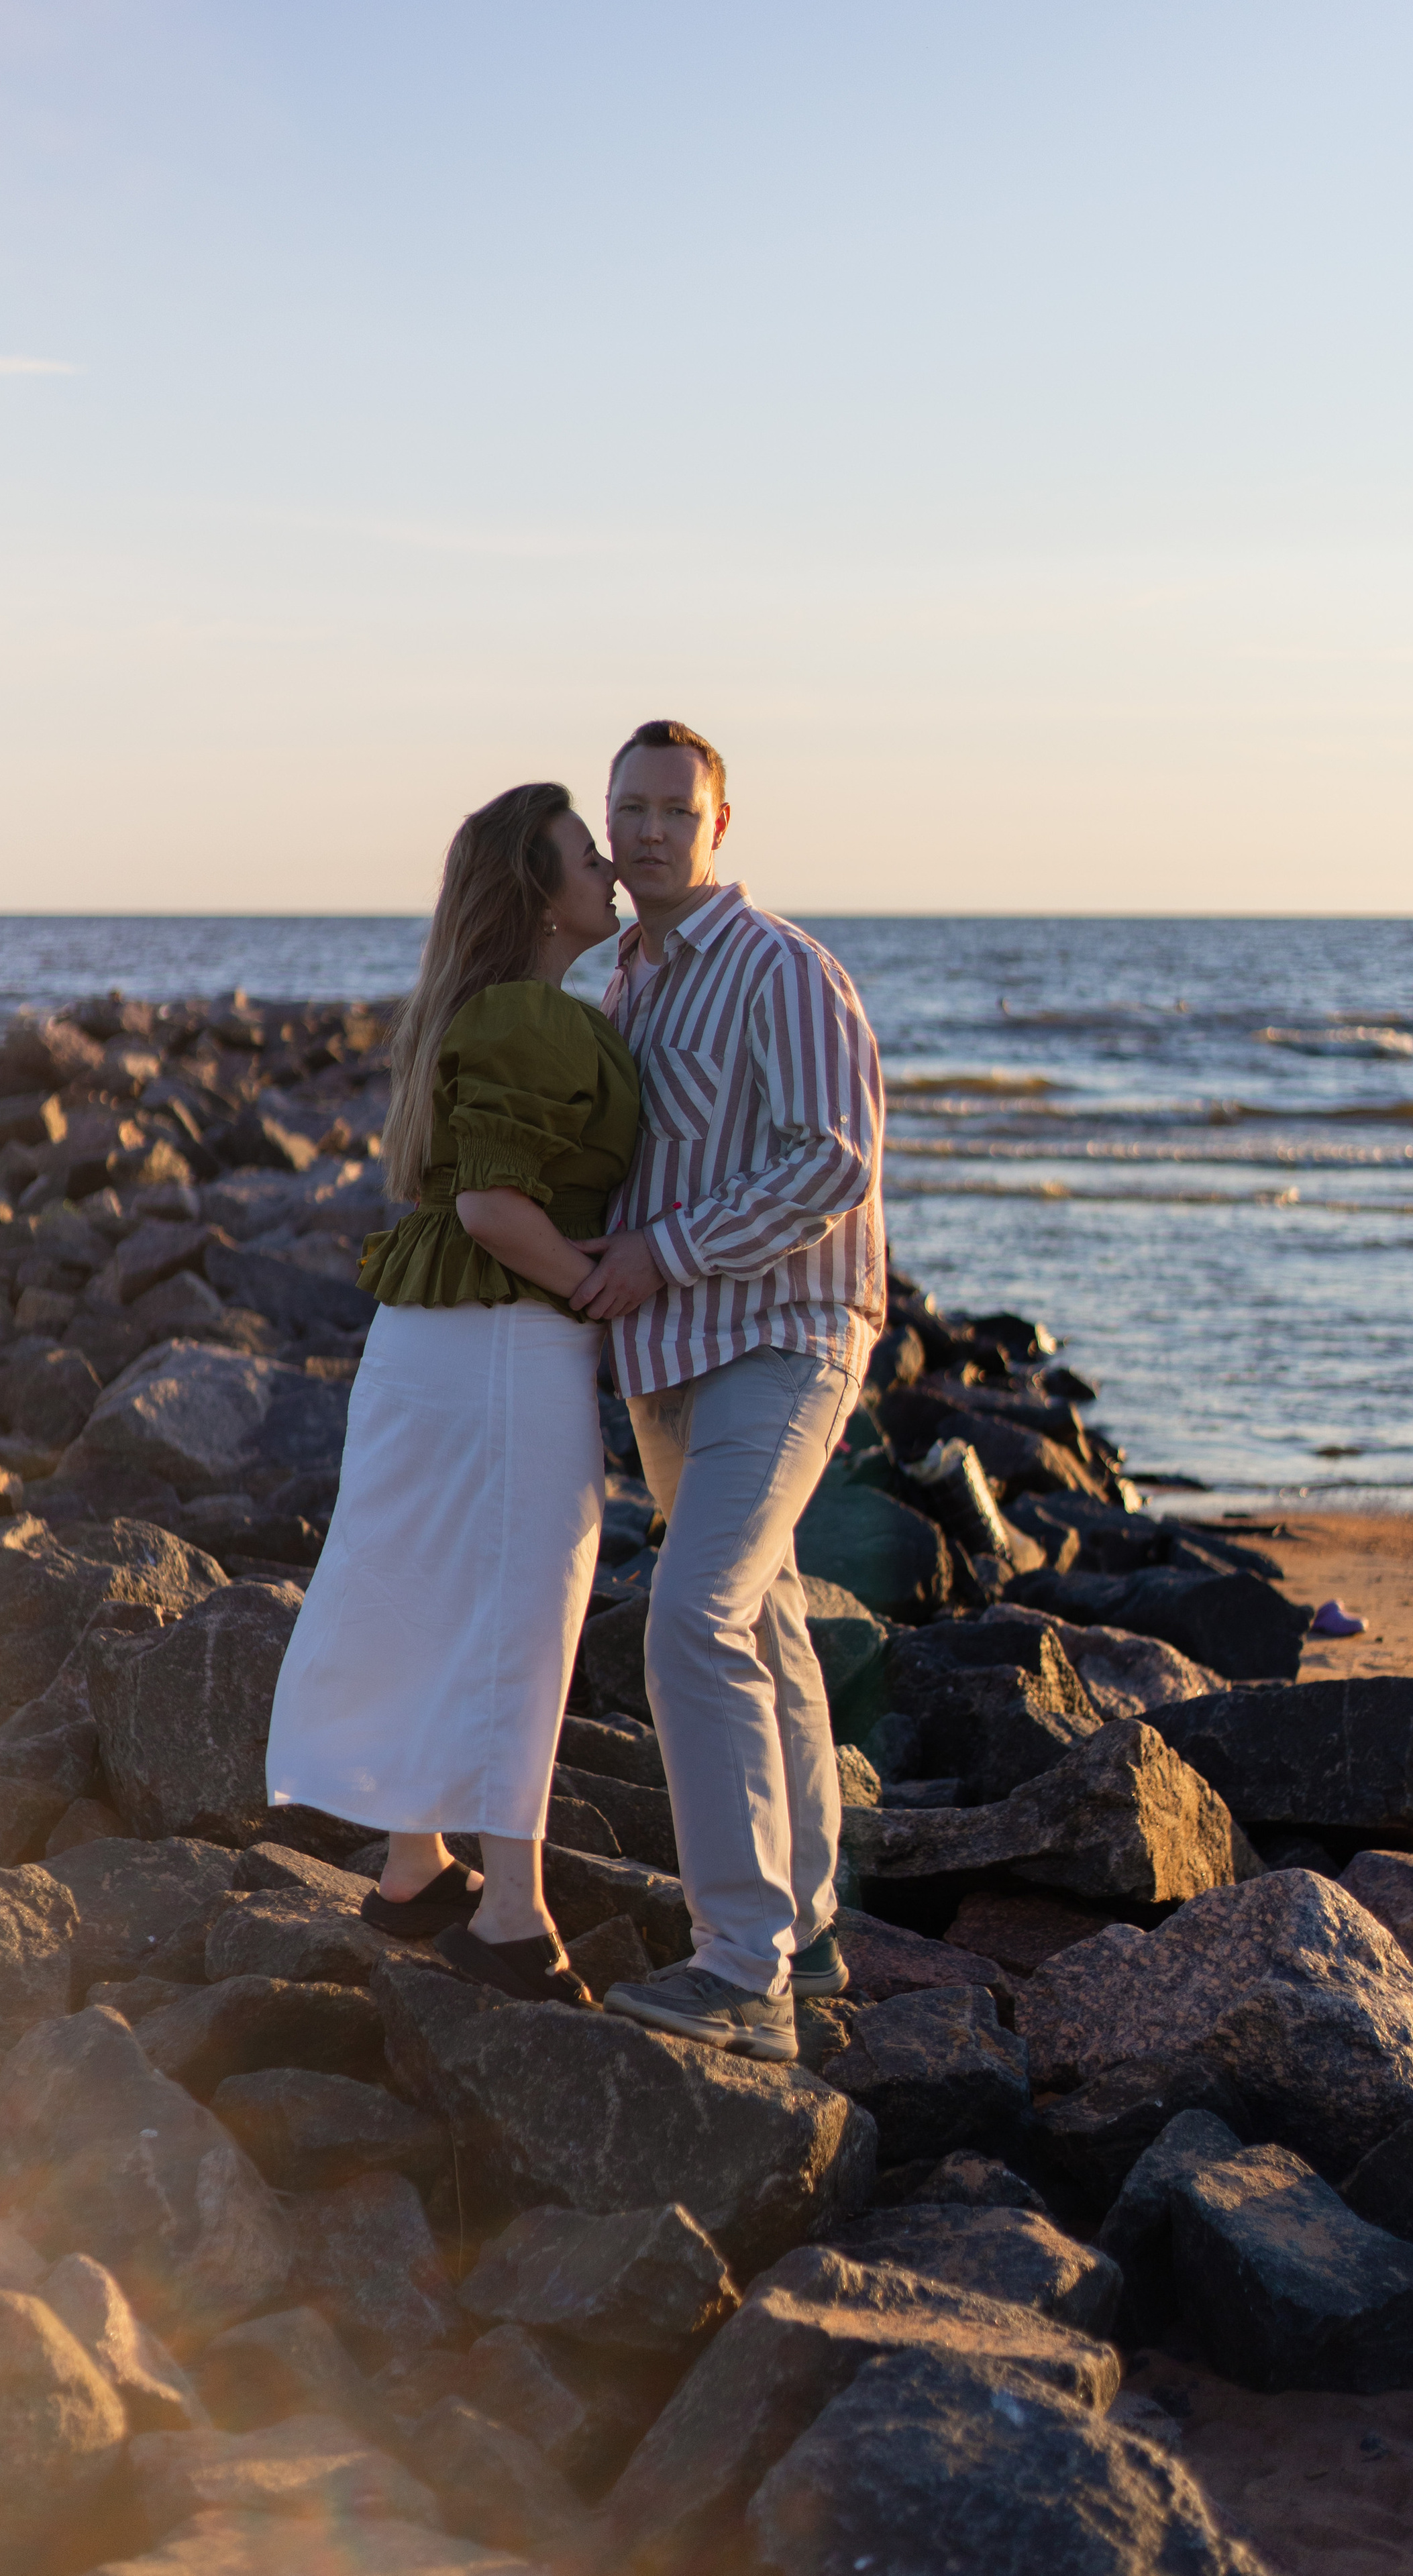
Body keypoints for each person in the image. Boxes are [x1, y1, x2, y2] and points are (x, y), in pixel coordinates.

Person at [265, 782, 639, 2006]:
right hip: (500, 1348)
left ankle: (415, 1867)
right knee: (523, 1617)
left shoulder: (476, 1010)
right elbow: (492, 1210)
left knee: (426, 1591)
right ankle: (513, 1918)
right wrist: (609, 1282)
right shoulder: (529, 1018)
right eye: (589, 855)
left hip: (432, 1344)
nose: (613, 871)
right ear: (538, 896)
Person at [571, 718, 886, 2059]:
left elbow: (833, 1164)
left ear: (718, 824)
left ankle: (736, 1972)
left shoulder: (778, 969)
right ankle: (804, 1937)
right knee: (760, 1623)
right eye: (626, 808)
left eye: (670, 809)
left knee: (689, 1618)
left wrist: (665, 1253)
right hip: (666, 1362)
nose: (646, 830)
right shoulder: (626, 985)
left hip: (784, 1337)